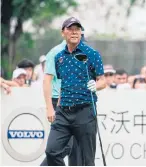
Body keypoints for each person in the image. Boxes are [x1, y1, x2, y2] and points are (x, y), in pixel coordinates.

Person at [43, 17, 106, 166]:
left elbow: (103, 81)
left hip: (85, 110)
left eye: (77, 29)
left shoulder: (92, 54)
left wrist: (96, 85)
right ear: (63, 33)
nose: (74, 32)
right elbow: (62, 84)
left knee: (86, 159)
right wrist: (55, 108)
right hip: (63, 111)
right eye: (70, 29)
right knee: (51, 151)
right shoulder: (59, 57)